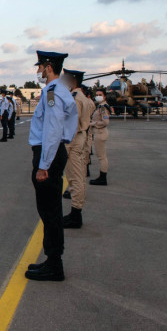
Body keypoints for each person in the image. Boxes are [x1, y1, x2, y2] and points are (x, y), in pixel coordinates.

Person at [26, 50, 77, 281]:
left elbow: (53, 129)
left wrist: (44, 165)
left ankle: (55, 264)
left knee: (50, 211)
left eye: (40, 67)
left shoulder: (53, 92)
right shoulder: (57, 92)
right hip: (54, 153)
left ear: (48, 67)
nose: (38, 71)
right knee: (49, 210)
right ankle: (52, 260)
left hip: (50, 154)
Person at [60, 68, 94, 229]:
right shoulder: (84, 98)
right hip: (82, 136)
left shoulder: (75, 99)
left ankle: (75, 214)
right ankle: (76, 211)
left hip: (73, 139)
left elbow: (72, 122)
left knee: (75, 177)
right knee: (78, 176)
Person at [90, 88, 111, 186]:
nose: (98, 96)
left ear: (104, 96)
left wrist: (93, 123)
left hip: (100, 132)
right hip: (100, 132)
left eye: (100, 94)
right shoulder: (100, 106)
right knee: (102, 156)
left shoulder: (102, 107)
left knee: (102, 157)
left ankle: (103, 177)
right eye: (97, 94)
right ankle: (102, 176)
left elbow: (105, 122)